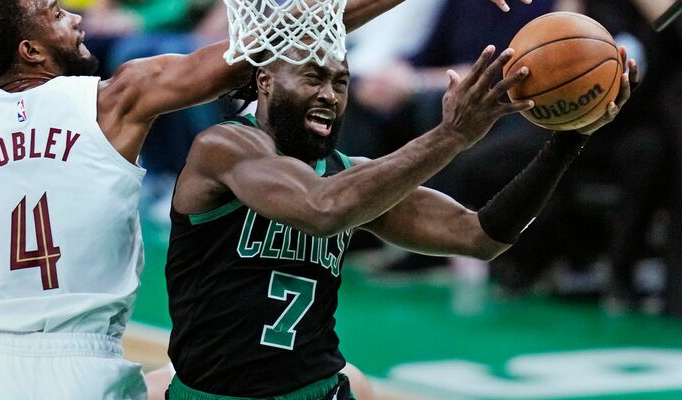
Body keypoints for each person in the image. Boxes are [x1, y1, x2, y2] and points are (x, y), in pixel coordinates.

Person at [0, 0, 420, 398]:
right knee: (351, 384)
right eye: (55, 13)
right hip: (85, 374)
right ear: (31, 51)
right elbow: (280, 41)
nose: (76, 15)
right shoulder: (116, 101)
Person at [164, 37, 638, 398]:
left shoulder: (351, 177)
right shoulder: (223, 146)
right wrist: (452, 136)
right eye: (313, 77)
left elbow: (477, 235)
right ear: (265, 81)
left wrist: (568, 140)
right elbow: (321, 208)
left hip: (317, 389)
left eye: (341, 81)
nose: (330, 94)